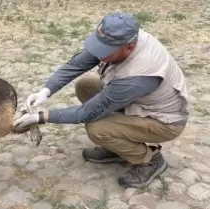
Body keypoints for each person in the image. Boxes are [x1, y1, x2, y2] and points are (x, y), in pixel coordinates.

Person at [14, 12, 189, 189]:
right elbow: (76, 64)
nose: (98, 53)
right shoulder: (120, 38)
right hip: (138, 102)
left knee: (97, 129)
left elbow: (87, 112)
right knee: (85, 86)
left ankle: (150, 160)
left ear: (128, 48)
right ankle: (117, 148)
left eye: (104, 51)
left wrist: (40, 117)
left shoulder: (140, 74)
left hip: (163, 121)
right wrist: (45, 91)